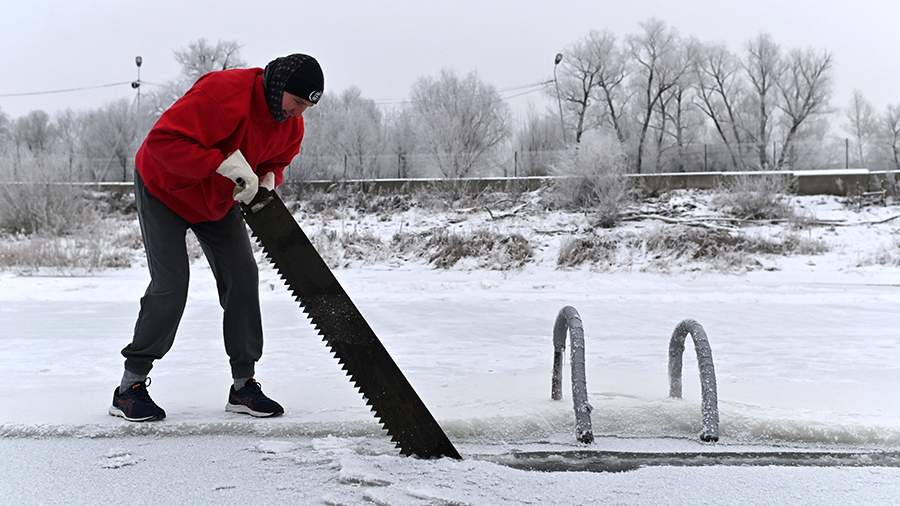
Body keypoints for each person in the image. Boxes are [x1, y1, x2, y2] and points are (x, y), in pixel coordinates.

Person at [108, 54, 324, 422]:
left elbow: (277, 161)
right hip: (165, 187)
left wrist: (269, 179)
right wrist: (220, 163)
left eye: (307, 106)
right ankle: (129, 388)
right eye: (297, 101)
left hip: (215, 200)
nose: (299, 112)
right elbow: (163, 144)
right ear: (278, 87)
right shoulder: (222, 93)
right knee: (172, 283)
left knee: (243, 276)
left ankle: (243, 386)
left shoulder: (291, 124)